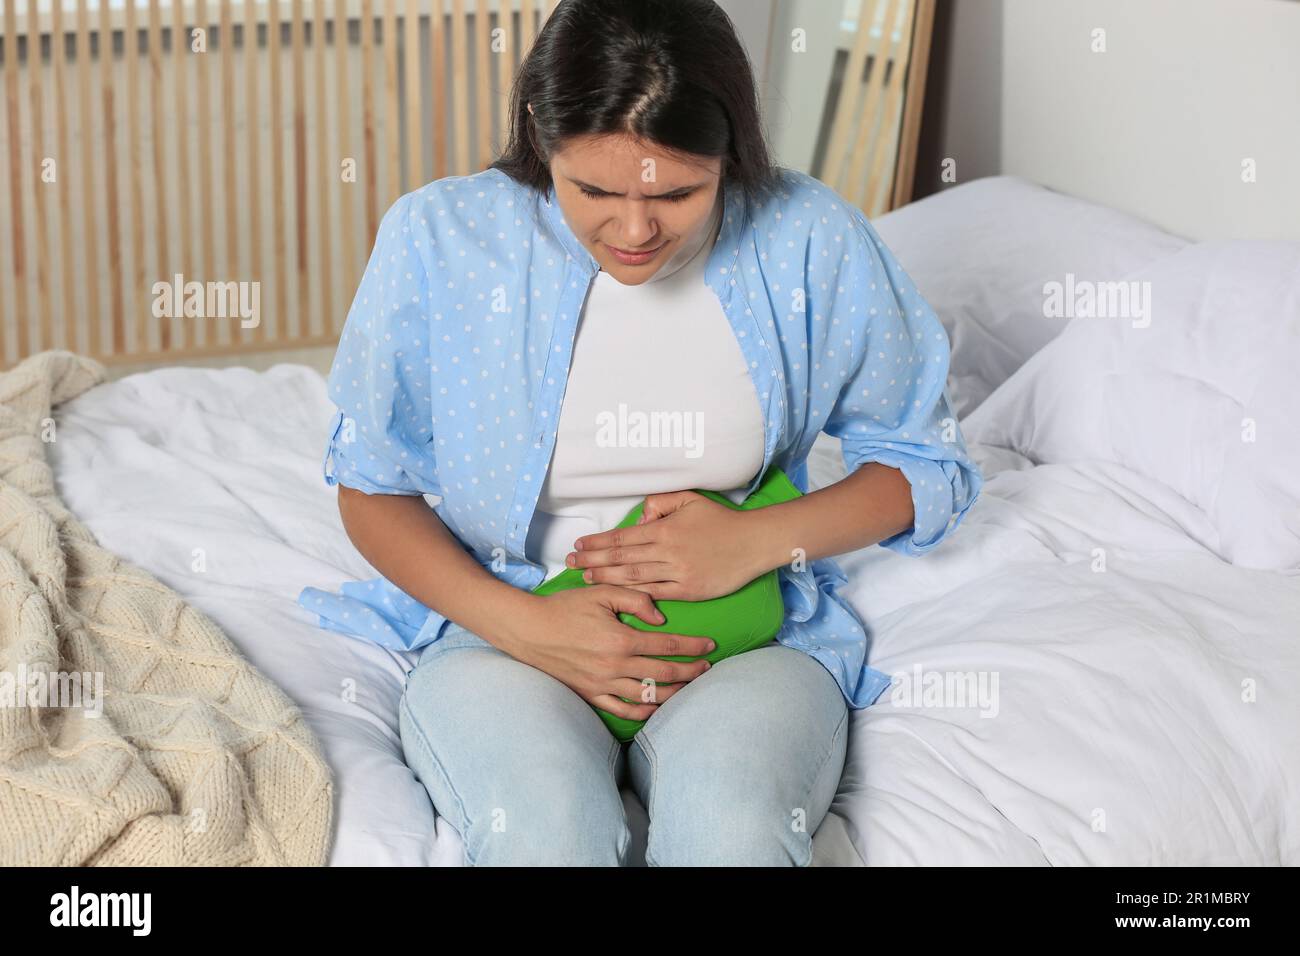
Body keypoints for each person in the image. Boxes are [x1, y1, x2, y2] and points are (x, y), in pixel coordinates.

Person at [298, 0, 983, 866]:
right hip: (507, 635)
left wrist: (753, 541)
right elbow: (373, 484)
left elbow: (924, 463)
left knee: (732, 828)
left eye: (679, 193)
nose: (634, 231)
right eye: (593, 191)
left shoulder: (807, 237)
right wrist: (523, 626)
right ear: (541, 135)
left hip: (749, 646)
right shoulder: (441, 239)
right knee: (547, 832)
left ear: (729, 153)